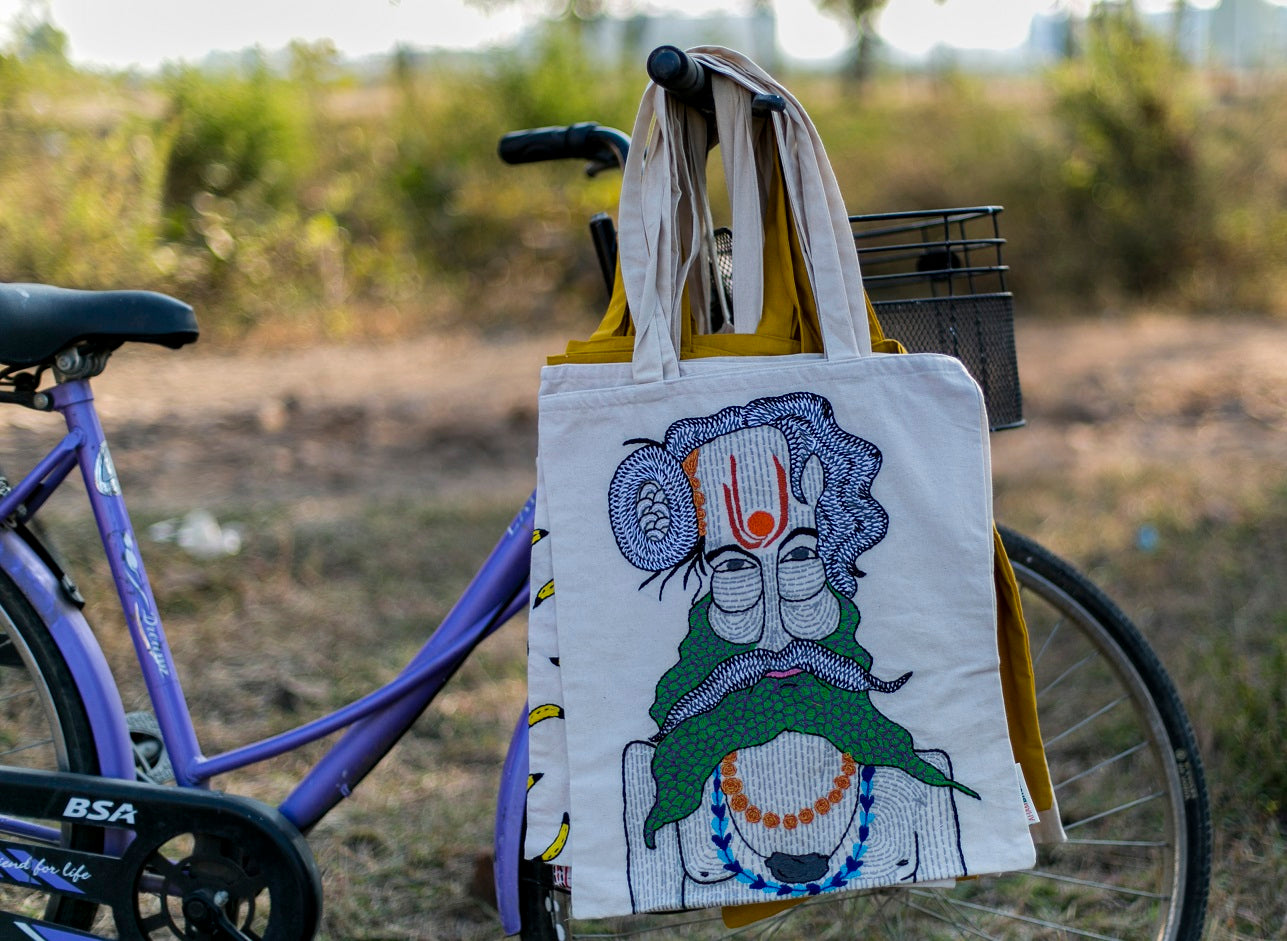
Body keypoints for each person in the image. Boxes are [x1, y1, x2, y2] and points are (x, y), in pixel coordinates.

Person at [608, 391, 974, 912]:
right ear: (704, 581)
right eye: (734, 567)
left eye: (800, 556)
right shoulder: (653, 779)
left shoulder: (918, 771)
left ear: (838, 559)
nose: (776, 631)